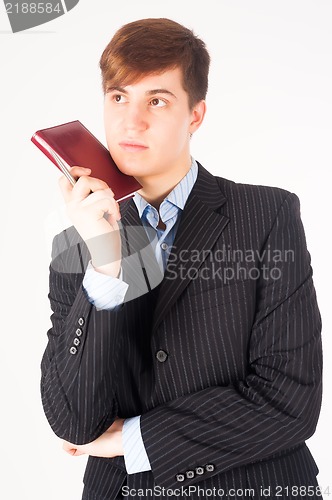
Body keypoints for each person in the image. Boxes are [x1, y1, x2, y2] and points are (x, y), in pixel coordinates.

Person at [40, 18, 323, 500]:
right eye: (117, 97)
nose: (132, 122)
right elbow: (72, 419)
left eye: (157, 100)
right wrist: (107, 260)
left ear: (195, 115)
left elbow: (290, 400)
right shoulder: (77, 248)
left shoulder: (267, 215)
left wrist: (135, 440)